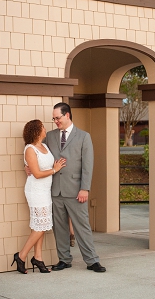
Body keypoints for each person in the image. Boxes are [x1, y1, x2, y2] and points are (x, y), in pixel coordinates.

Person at [33, 102, 106, 272]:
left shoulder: (83, 136)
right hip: (55, 189)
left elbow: (88, 165)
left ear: (67, 115)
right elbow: (34, 148)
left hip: (76, 190)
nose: (55, 121)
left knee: (82, 226)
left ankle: (92, 260)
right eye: (53, 119)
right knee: (60, 227)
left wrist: (85, 188)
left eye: (57, 118)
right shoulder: (50, 136)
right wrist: (28, 165)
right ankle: (64, 259)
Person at [11, 119, 66, 274]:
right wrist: (55, 170)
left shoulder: (45, 146)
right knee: (41, 226)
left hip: (45, 191)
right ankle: (21, 256)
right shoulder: (30, 149)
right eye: (42, 127)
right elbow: (36, 173)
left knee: (40, 225)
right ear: (36, 130)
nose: (45, 129)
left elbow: (43, 165)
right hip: (35, 191)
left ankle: (38, 258)